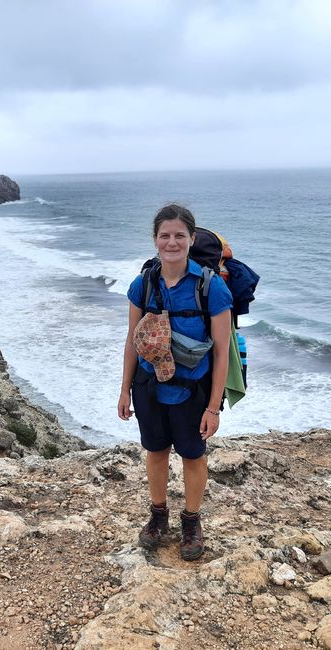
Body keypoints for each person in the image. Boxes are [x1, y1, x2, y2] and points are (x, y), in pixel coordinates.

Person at [118, 204, 233, 560]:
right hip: (149, 386)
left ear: (191, 239)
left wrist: (213, 408)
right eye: (165, 235)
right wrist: (124, 389)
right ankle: (158, 516)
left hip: (192, 391)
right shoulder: (144, 283)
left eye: (179, 235)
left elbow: (221, 354)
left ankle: (192, 522)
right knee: (155, 451)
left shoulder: (210, 288)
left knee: (193, 456)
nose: (172, 242)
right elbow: (131, 339)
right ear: (155, 240)